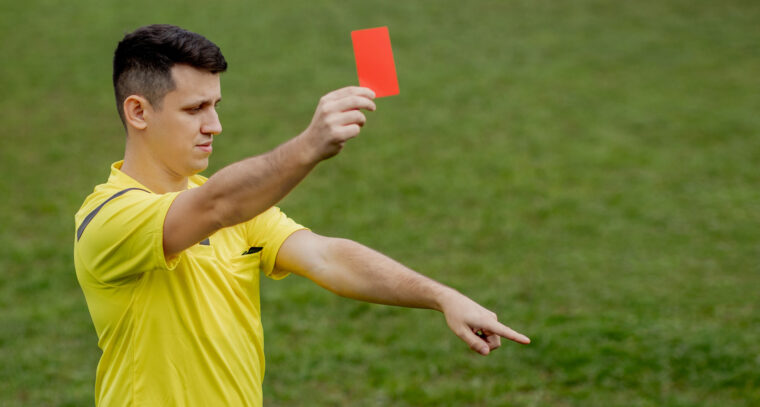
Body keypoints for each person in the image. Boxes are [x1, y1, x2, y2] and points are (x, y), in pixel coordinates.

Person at [73, 24, 530, 406]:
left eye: (215, 106)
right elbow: (218, 205)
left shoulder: (230, 207)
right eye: (195, 109)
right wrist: (309, 146)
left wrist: (441, 296)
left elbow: (327, 257)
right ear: (138, 112)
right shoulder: (110, 218)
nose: (214, 126)